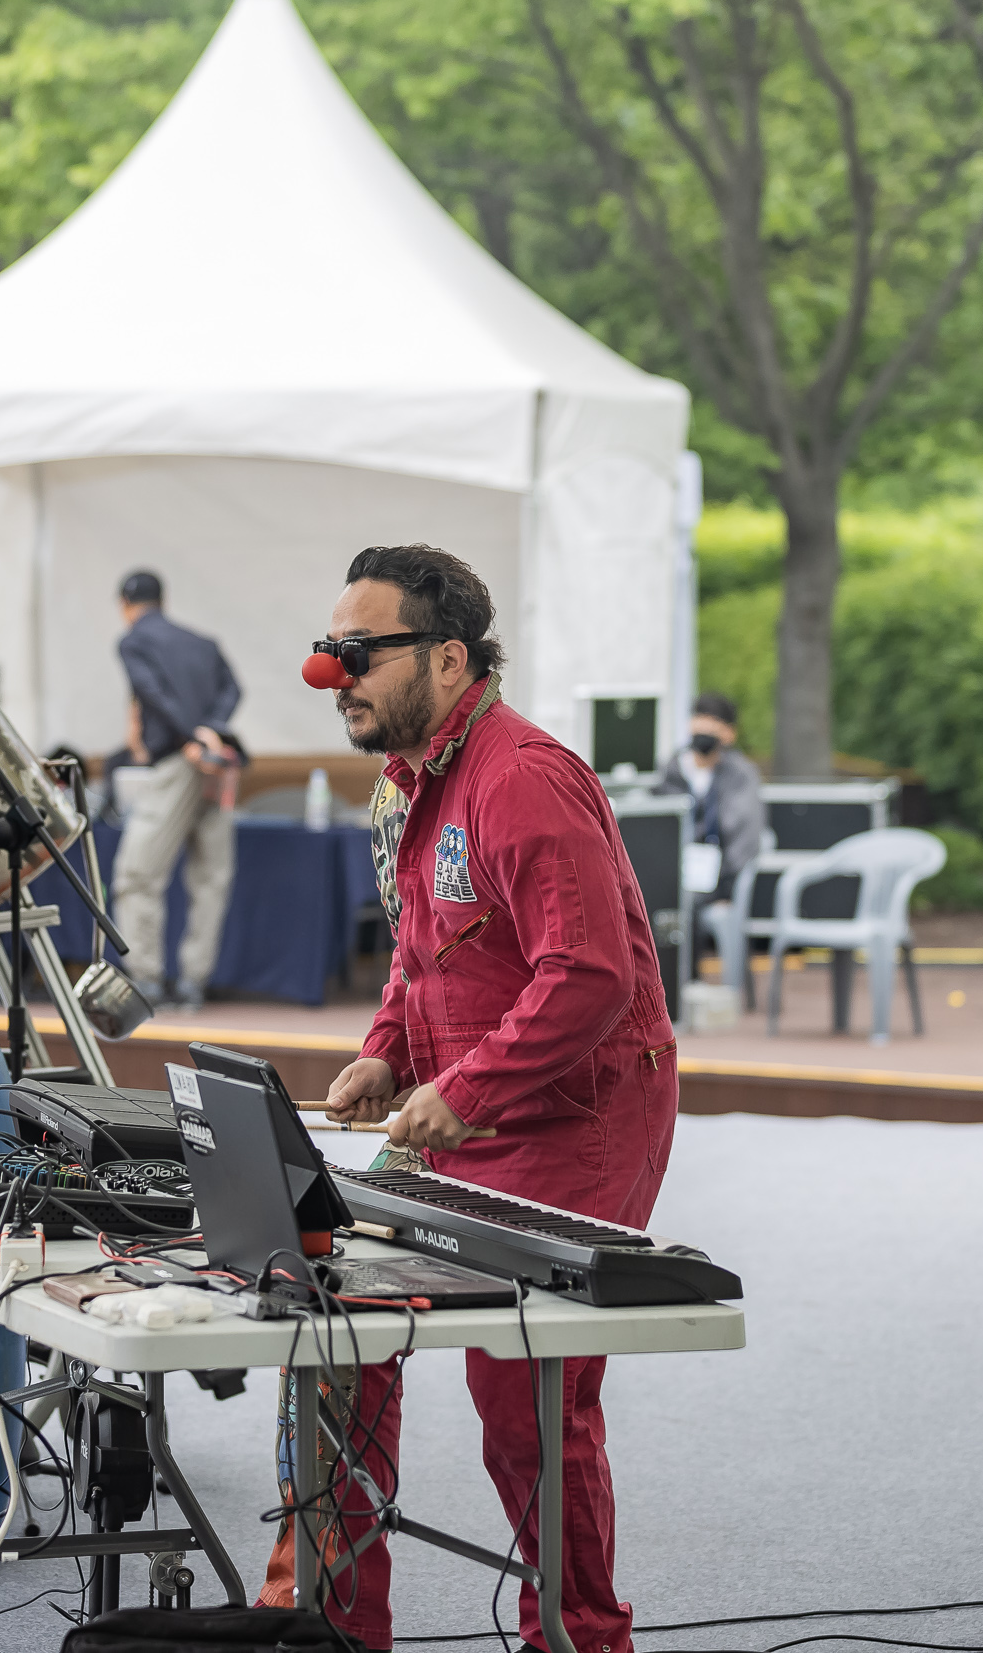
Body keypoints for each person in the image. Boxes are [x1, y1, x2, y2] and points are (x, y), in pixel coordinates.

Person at [273, 544, 678, 1653]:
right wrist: (385, 1051)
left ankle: (581, 1636)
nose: (333, 671)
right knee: (339, 1339)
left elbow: (589, 975)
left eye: (357, 651)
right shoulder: (410, 781)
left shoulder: (521, 776)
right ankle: (334, 1628)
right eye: (329, 649)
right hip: (469, 1102)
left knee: (527, 1404)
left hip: (575, 1118)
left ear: (447, 657)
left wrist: (467, 1083)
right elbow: (422, 957)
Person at [111, 569, 242, 1011]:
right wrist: (212, 731)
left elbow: (152, 694)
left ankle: (146, 979)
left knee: (138, 875)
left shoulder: (133, 641)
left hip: (178, 763)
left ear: (125, 604)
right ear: (161, 599)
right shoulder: (203, 643)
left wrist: (191, 737)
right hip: (217, 762)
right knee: (210, 878)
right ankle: (193, 981)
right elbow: (232, 688)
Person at [651, 691, 765, 921]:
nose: (704, 727)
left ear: (730, 733)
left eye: (714, 721)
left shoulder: (740, 776)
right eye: (700, 717)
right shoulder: (670, 771)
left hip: (717, 881)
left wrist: (725, 886)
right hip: (669, 877)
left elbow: (745, 840)